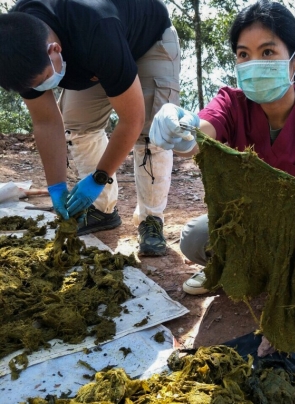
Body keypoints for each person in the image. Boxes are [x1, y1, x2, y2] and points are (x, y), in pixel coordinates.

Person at [149, 0, 295, 293]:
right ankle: (243, 270)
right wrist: (180, 130)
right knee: (195, 238)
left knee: (288, 247)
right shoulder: (231, 103)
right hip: (242, 224)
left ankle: (254, 271)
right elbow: (199, 135)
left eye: (268, 52)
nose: (254, 64)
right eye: (243, 54)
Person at [0, 0, 181, 256]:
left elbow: (132, 119)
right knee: (78, 126)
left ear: (54, 50)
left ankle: (151, 219)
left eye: (43, 82)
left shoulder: (96, 30)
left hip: (147, 40)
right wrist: (56, 187)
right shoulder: (18, 45)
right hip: (96, 57)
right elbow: (45, 121)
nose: (42, 90)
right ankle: (102, 209)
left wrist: (98, 177)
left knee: (152, 133)